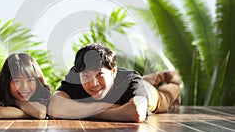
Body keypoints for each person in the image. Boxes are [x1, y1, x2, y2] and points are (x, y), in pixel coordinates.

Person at [48, 43, 181, 122]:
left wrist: (81, 109)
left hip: (150, 95)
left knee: (166, 95)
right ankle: (160, 75)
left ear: (113, 71)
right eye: (86, 76)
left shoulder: (130, 80)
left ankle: (171, 76)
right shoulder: (77, 75)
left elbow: (137, 112)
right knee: (140, 82)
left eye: (99, 74)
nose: (93, 83)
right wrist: (103, 108)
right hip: (124, 88)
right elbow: (54, 107)